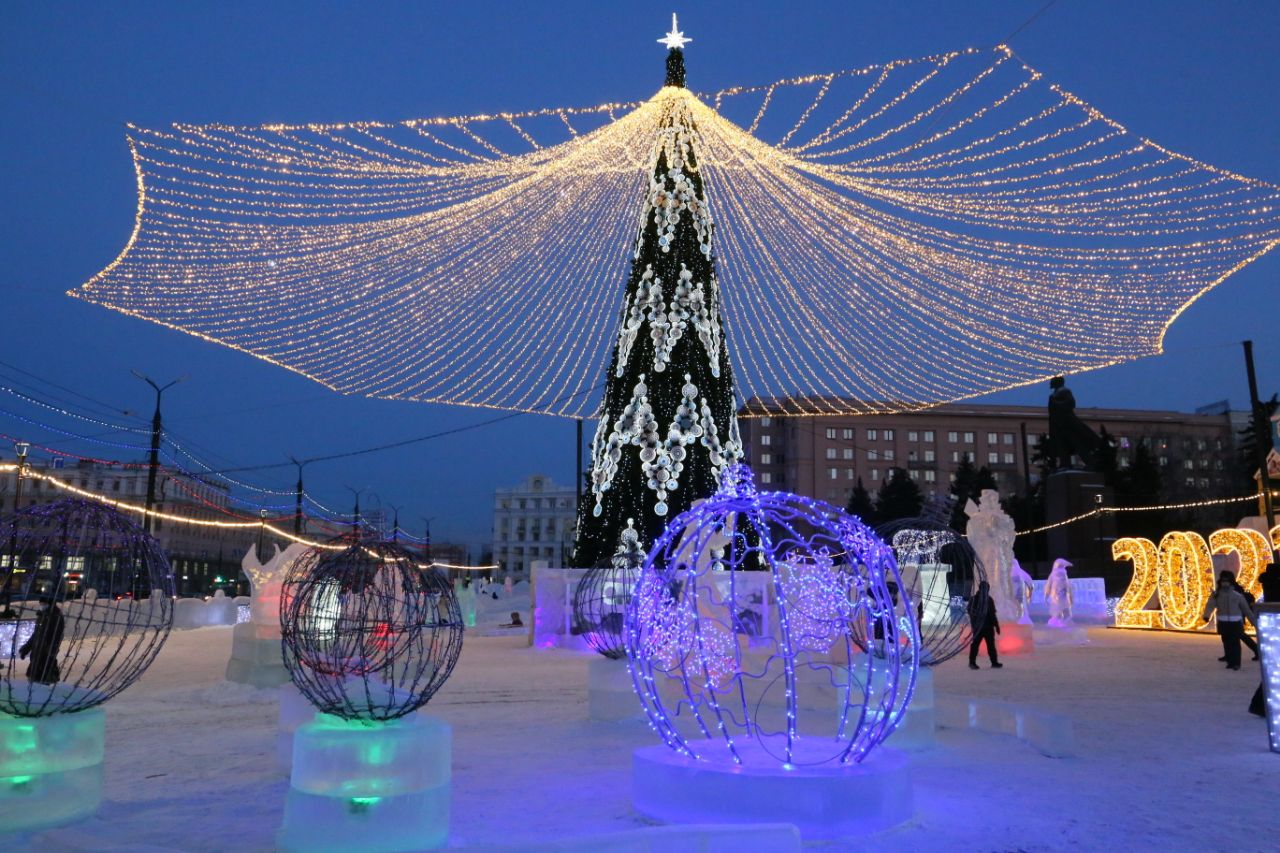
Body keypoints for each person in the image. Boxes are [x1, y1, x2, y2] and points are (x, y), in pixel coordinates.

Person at [1202, 571, 1255, 670]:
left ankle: (1236, 663)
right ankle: (1230, 661)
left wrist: (1253, 621)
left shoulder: (1237, 595)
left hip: (1235, 622)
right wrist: (1206, 615)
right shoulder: (1217, 594)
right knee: (1227, 642)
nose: (1225, 583)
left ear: (1231, 582)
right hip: (1223, 622)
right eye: (1223, 581)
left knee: (1235, 643)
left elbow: (1246, 609)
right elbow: (1210, 605)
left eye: (1227, 581)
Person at [18, 597, 65, 685]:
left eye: (44, 604)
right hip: (37, 652)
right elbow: (36, 634)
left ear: (50, 605)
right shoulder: (42, 616)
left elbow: (57, 635)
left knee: (43, 681)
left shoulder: (56, 616)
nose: (42, 606)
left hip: (46, 653)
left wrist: (52, 648)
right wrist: (26, 648)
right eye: (41, 604)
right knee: (33, 682)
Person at [967, 580, 1002, 670]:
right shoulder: (974, 599)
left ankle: (994, 662)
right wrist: (976, 620)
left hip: (988, 627)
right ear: (980, 589)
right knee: (975, 645)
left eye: (987, 589)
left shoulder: (989, 599)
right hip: (978, 627)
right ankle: (972, 662)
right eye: (984, 589)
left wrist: (996, 625)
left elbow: (993, 614)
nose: (986, 590)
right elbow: (970, 611)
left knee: (991, 646)